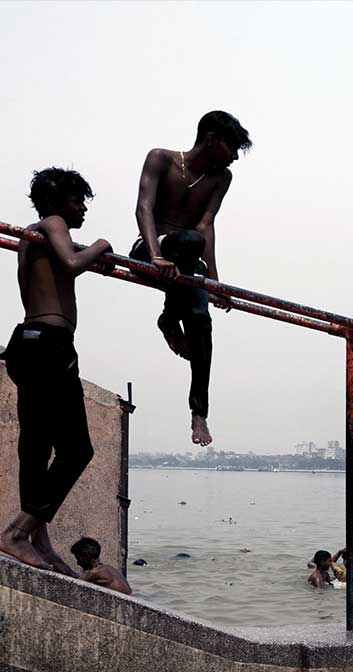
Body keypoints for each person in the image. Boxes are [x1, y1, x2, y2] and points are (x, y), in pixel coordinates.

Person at [0, 168, 112, 576]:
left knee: (36, 445)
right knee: (77, 449)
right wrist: (101, 245)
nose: (82, 207)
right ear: (60, 201)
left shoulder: (30, 237)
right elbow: (72, 261)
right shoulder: (52, 224)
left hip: (26, 342)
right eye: (77, 200)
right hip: (49, 343)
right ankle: (16, 532)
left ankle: (37, 537)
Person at [131, 110, 252, 447]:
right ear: (212, 139)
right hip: (149, 249)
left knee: (200, 321)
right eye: (232, 148)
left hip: (188, 261)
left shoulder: (221, 178)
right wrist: (156, 255)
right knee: (187, 242)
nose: (234, 158)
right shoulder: (161, 159)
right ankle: (170, 317)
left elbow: (205, 226)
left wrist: (215, 283)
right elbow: (143, 207)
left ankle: (199, 412)